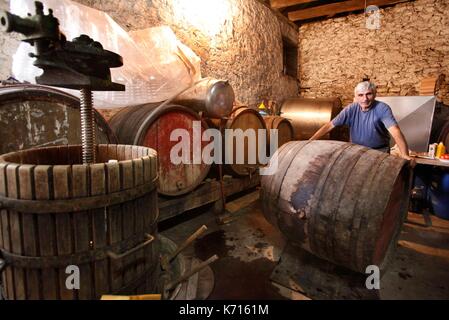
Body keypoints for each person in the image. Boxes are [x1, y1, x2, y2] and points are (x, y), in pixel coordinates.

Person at [309, 81, 411, 160]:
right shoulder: (351, 109)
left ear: (374, 95)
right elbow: (330, 126)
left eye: (368, 94)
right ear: (355, 97)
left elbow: (395, 131)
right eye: (360, 95)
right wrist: (310, 141)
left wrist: (404, 154)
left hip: (379, 152)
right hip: (356, 151)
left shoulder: (382, 108)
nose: (365, 99)